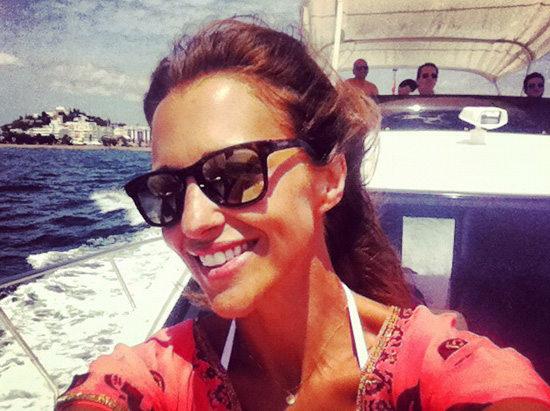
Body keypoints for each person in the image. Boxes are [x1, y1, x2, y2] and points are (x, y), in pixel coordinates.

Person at [56, 18, 550, 411]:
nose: (192, 223)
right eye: (165, 190)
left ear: (329, 180)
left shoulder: (441, 369)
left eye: (235, 171)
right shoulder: (161, 376)